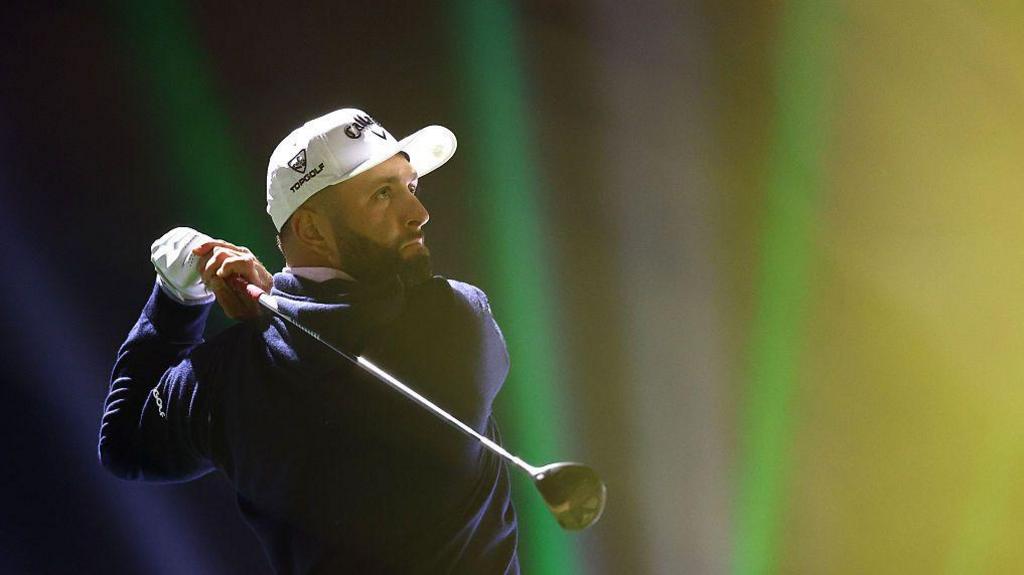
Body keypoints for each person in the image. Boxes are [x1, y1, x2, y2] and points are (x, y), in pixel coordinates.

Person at [98, 108, 520, 574]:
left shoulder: (226, 375)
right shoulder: (456, 318)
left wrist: (177, 299)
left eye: (410, 186)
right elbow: (337, 342)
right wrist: (272, 305)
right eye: (384, 193)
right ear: (312, 229)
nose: (418, 214)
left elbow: (125, 444)